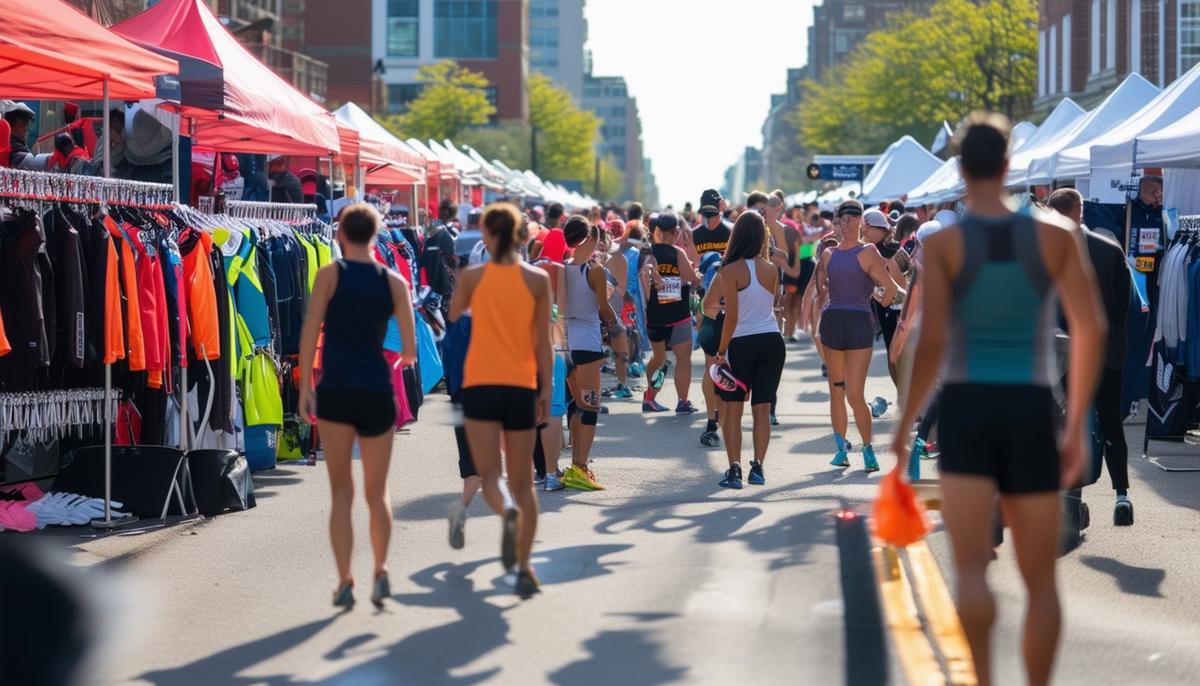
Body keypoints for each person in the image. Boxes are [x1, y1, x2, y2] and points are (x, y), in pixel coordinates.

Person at [891, 113, 1106, 686]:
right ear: (1010, 165)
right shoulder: (1055, 233)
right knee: (1039, 580)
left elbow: (930, 340)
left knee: (970, 570)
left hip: (967, 409)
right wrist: (1076, 419)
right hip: (1033, 408)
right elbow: (1091, 328)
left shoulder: (945, 243)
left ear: (961, 170)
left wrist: (906, 424)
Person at [298, 203, 418, 610]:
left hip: (335, 391)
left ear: (340, 235)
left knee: (341, 493)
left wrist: (304, 389)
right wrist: (393, 363)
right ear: (377, 235)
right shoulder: (394, 282)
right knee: (377, 490)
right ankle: (380, 569)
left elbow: (310, 330)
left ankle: (344, 579)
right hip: (375, 393)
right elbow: (410, 349)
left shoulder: (330, 275)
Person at [448, 202, 553, 599]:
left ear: (488, 236)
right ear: (521, 235)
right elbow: (543, 339)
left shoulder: (473, 276)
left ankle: (505, 512)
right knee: (524, 481)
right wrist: (544, 388)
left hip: (480, 384)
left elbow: (455, 314)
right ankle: (525, 569)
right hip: (521, 385)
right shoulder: (537, 279)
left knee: (490, 476)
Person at [1047, 188, 1133, 525]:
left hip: (1064, 356)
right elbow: (1123, 311)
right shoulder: (1110, 250)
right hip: (1106, 356)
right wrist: (1115, 354)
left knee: (1066, 423)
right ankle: (1122, 496)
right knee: (1111, 423)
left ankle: (1070, 498)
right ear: (1080, 211)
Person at [815, 199, 904, 473]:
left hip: (858, 324)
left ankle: (867, 447)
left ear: (862, 223)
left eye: (855, 219)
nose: (850, 224)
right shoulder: (828, 255)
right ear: (838, 223)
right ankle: (841, 449)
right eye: (845, 220)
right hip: (833, 322)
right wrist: (818, 321)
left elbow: (890, 289)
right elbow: (820, 293)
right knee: (836, 390)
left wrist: (875, 300)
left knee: (854, 394)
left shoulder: (868, 252)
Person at [714, 211, 787, 488]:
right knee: (762, 407)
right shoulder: (771, 269)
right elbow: (772, 304)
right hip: (771, 340)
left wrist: (721, 350)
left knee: (733, 410)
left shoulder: (729, 269)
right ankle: (758, 467)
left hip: (742, 341)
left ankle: (734, 469)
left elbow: (731, 317)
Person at [560, 217, 618, 490]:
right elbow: (603, 309)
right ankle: (580, 467)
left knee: (577, 405)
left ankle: (576, 464)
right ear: (591, 239)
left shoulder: (561, 267)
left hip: (564, 342)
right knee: (591, 406)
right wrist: (615, 325)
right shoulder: (594, 269)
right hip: (587, 342)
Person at [643, 213, 701, 414]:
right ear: (675, 232)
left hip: (655, 316)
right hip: (678, 315)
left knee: (658, 359)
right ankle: (683, 401)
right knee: (683, 359)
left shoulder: (647, 253)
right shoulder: (677, 253)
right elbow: (693, 277)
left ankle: (649, 396)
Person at [693, 189, 733, 445]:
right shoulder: (696, 234)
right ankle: (712, 418)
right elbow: (692, 265)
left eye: (713, 214)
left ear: (721, 209)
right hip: (707, 304)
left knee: (725, 367)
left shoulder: (730, 232)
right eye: (706, 214)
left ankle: (724, 418)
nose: (709, 220)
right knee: (711, 367)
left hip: (728, 302)